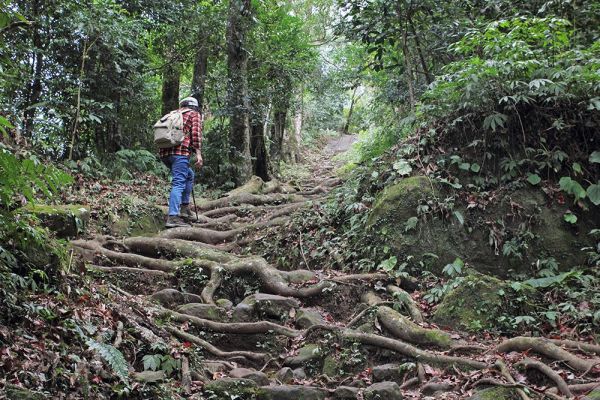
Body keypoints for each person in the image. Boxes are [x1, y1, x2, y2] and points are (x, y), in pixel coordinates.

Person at [159, 97, 203, 228]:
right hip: (180, 153)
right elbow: (195, 134)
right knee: (179, 182)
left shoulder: (172, 114)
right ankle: (173, 216)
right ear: (194, 106)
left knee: (188, 175)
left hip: (165, 154)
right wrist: (199, 154)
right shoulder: (193, 114)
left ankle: (184, 209)